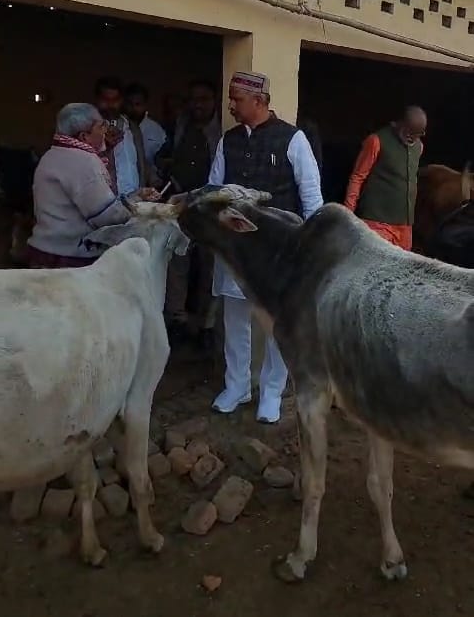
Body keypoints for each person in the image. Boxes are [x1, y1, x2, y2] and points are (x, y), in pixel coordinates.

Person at [209, 70, 323, 423]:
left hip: (277, 249)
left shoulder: (293, 139)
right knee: (235, 319)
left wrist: (311, 244)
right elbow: (213, 187)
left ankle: (272, 392)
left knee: (276, 323)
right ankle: (237, 386)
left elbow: (311, 196)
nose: (231, 105)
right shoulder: (228, 140)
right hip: (235, 246)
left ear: (259, 101)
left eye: (237, 99)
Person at [27, 103, 131, 268]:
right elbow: (105, 217)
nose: (105, 131)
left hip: (44, 250)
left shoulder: (51, 155)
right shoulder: (84, 160)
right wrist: (136, 205)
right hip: (70, 258)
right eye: (101, 126)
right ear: (84, 136)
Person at [164, 80, 222, 344]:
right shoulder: (181, 125)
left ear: (214, 101)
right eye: (193, 100)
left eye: (204, 99)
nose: (197, 105)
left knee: (210, 267)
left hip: (210, 209)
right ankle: (177, 319)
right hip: (182, 205)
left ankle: (206, 323)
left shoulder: (222, 130)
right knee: (178, 262)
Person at [344, 105, 427, 251]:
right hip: (377, 222)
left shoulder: (418, 147)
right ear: (399, 123)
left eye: (416, 135)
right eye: (408, 132)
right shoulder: (376, 141)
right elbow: (357, 177)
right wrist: (348, 212)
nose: (411, 137)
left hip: (405, 227)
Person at [94, 76, 150, 195]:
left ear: (122, 100)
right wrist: (104, 145)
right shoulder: (89, 129)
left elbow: (140, 165)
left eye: (115, 100)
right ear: (97, 100)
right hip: (106, 201)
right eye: (105, 99)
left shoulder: (133, 128)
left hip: (136, 199)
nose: (110, 105)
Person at [124, 82, 167, 167]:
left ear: (145, 105)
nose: (134, 108)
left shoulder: (156, 130)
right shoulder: (118, 127)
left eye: (138, 104)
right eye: (130, 104)